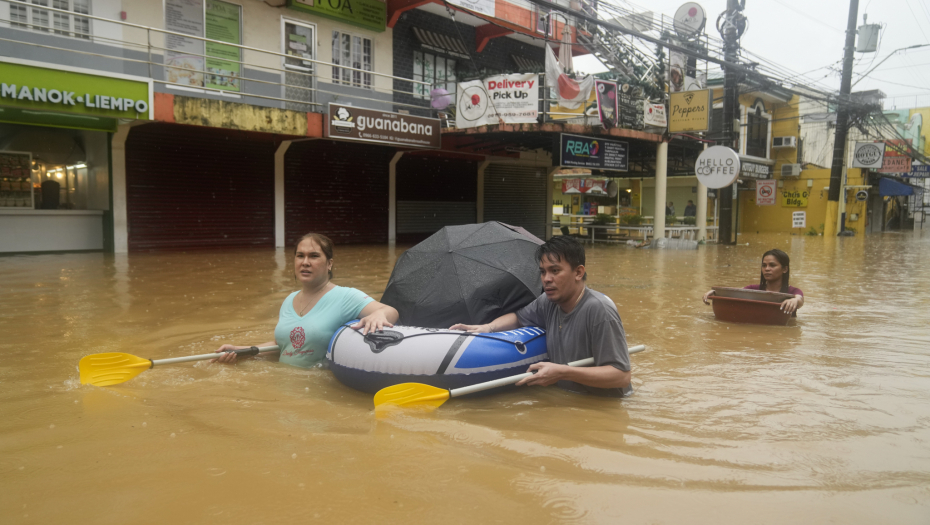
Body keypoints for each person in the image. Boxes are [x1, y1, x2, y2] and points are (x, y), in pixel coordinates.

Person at [451, 236, 632, 397]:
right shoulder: (548, 301)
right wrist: (488, 327)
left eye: (555, 271)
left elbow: (621, 376)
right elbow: (518, 318)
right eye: (543, 272)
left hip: (602, 407)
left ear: (578, 272)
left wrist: (563, 372)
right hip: (568, 400)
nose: (546, 279)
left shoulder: (599, 310)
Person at [214, 233, 399, 367]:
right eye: (300, 256)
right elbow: (285, 346)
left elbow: (391, 311)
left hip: (319, 392)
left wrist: (379, 315)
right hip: (283, 390)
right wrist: (240, 351)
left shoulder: (345, 296)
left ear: (329, 263)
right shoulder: (289, 300)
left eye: (314, 256)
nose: (305, 262)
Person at [702, 248, 804, 315]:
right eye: (764, 265)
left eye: (772, 265)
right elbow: (733, 294)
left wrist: (794, 301)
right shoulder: (752, 289)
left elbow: (799, 300)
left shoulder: (793, 292)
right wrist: (715, 293)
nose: (767, 269)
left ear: (784, 269)